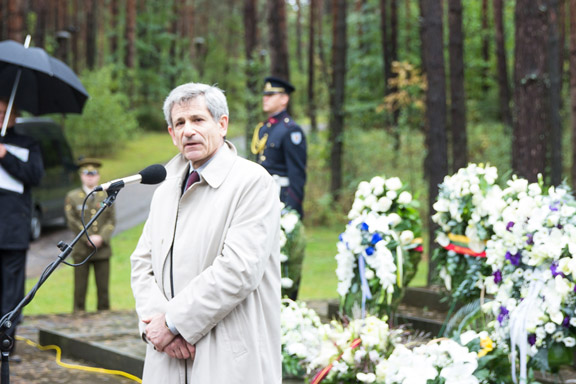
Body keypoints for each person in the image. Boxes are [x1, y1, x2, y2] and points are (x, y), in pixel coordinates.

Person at [130, 82, 281, 383]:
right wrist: (158, 325)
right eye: (179, 123)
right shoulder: (165, 188)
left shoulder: (252, 182)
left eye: (198, 120)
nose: (188, 130)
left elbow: (237, 271)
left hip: (227, 358)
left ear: (222, 124)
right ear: (172, 134)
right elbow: (141, 264)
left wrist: (174, 323)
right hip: (167, 358)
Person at [0, 98, 44, 358]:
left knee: (11, 291)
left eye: (5, 113)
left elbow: (35, 176)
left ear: (15, 116)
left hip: (13, 230)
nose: (1, 117)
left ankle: (6, 343)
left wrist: (5, 156)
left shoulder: (27, 144)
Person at [251, 76, 307, 218]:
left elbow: (297, 175)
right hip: (262, 197)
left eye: (270, 95)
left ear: (284, 99)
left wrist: (290, 210)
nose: (265, 98)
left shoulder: (291, 130)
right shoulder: (263, 128)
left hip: (281, 197)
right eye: (265, 95)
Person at [64, 158, 116, 312]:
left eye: (93, 174)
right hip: (82, 249)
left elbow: (111, 220)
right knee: (79, 290)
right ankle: (78, 319)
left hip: (102, 249)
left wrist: (101, 237)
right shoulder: (72, 197)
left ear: (98, 176)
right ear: (81, 176)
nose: (90, 177)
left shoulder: (107, 195)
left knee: (103, 290)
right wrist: (87, 238)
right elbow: (72, 221)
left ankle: (104, 321)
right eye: (87, 174)